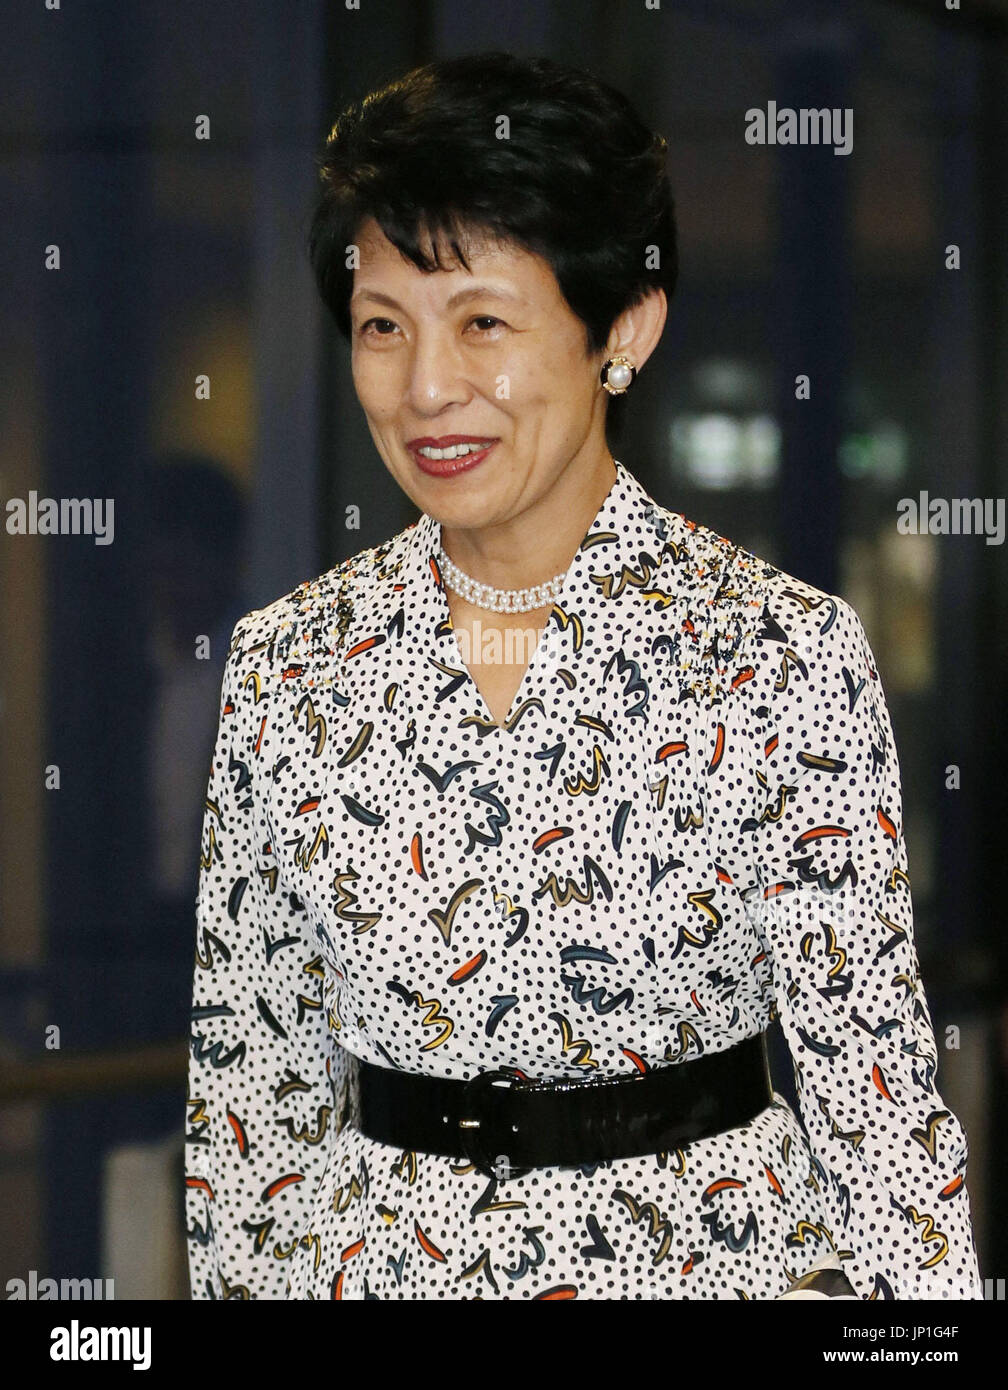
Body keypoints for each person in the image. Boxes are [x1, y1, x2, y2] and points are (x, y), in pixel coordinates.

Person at [184, 51, 983, 1301]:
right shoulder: (292, 661)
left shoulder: (779, 651)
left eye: (483, 322)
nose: (428, 387)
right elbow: (251, 1093)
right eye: (384, 326)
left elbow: (876, 1100)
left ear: (624, 329)